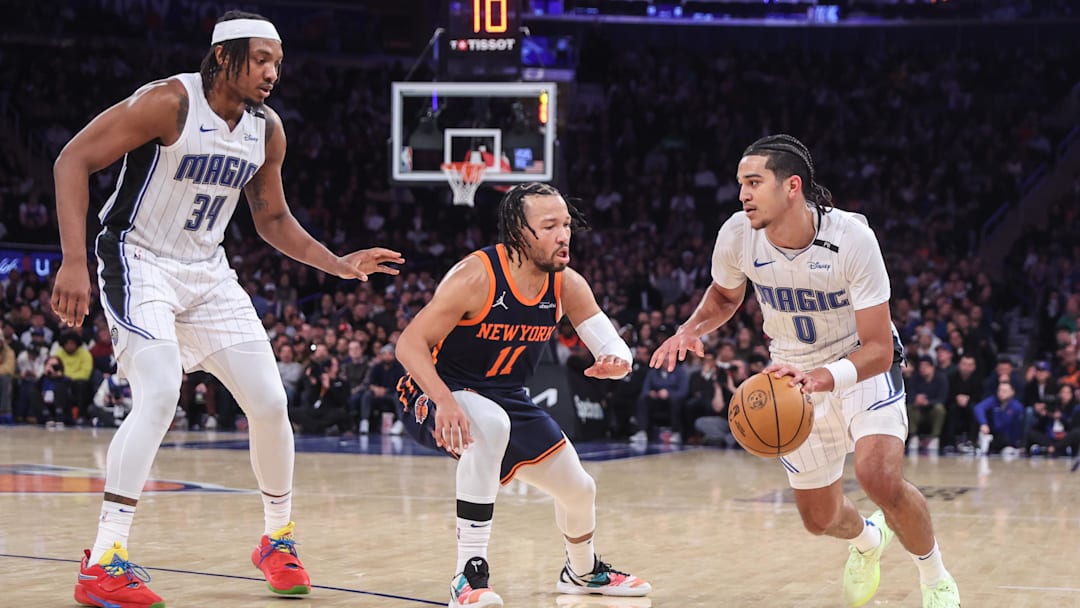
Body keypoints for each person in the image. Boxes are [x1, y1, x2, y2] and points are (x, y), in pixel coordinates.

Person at [50, 10, 404, 607]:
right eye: (261, 59)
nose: (272, 73)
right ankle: (104, 559)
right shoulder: (170, 103)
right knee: (160, 393)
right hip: (138, 258)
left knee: (270, 401)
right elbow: (71, 161)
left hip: (208, 272)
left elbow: (272, 220)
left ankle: (277, 540)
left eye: (278, 63)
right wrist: (74, 261)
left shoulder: (266, 130)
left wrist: (338, 263)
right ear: (223, 57)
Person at [650, 134, 959, 607]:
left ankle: (935, 577)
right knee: (819, 519)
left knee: (878, 477)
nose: (742, 195)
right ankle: (867, 542)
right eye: (740, 184)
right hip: (791, 372)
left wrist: (827, 377)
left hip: (859, 362)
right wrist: (691, 329)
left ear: (792, 186)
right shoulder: (737, 234)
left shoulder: (853, 239)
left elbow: (878, 347)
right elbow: (725, 295)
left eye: (754, 182)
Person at [395, 182, 650, 607]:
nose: (564, 235)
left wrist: (617, 360)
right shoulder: (475, 276)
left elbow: (609, 341)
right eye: (550, 226)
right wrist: (444, 401)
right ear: (517, 231)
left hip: (506, 395)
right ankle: (468, 574)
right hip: (433, 389)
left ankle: (581, 572)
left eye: (566, 224)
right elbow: (408, 345)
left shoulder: (566, 284)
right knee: (490, 426)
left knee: (579, 488)